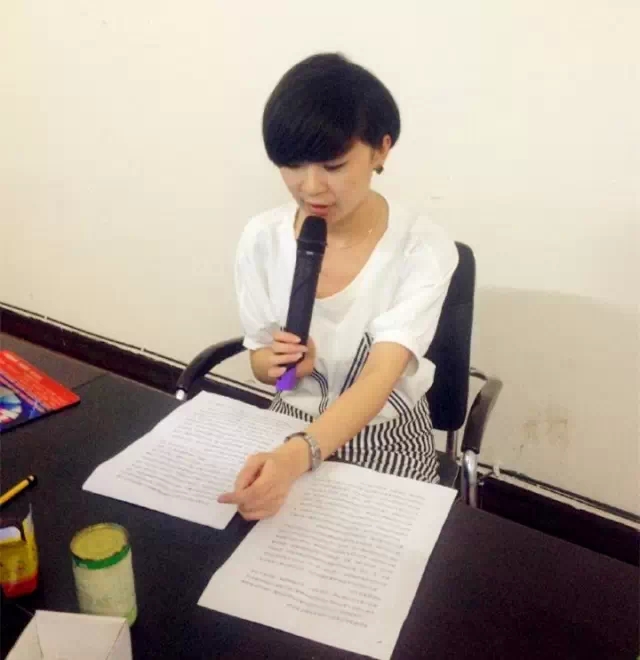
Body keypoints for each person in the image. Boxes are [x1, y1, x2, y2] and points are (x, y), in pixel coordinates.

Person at [218, 53, 458, 520]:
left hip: (386, 434)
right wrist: (276, 367)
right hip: (290, 421)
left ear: (381, 150)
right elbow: (262, 362)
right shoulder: (262, 238)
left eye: (333, 165)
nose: (310, 188)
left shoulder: (422, 248)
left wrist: (298, 455)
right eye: (292, 165)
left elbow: (379, 378)